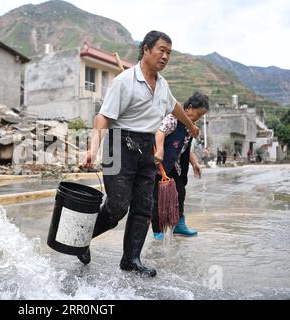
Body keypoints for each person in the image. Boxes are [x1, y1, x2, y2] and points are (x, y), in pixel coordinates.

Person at [80, 31, 199, 277]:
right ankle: (82, 238)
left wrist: (190, 125)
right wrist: (92, 147)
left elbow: (175, 106)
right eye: (161, 50)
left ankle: (131, 259)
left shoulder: (163, 85)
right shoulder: (124, 81)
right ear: (145, 49)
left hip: (146, 147)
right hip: (117, 144)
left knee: (144, 208)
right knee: (117, 206)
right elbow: (103, 116)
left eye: (169, 52)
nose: (165, 56)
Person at [151, 92, 210, 240]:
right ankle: (158, 230)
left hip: (176, 167)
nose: (198, 118)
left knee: (180, 193)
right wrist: (160, 149)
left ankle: (179, 225)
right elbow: (160, 132)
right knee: (158, 199)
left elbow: (185, 148)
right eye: (198, 114)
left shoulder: (190, 128)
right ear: (189, 108)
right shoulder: (173, 118)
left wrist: (195, 162)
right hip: (161, 165)